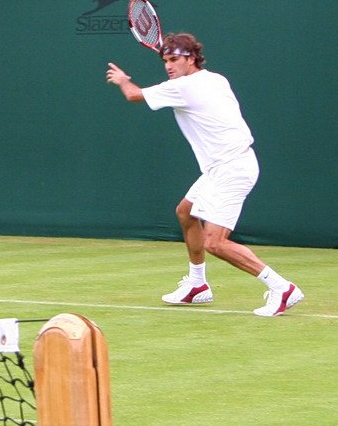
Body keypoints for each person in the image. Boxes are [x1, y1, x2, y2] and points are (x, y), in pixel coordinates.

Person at [105, 33, 303, 317]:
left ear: (192, 59)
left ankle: (282, 288)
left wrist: (123, 80)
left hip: (231, 168)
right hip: (222, 166)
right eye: (165, 60)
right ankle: (197, 285)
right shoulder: (216, 79)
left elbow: (133, 95)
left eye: (174, 59)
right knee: (186, 213)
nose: (168, 66)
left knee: (215, 242)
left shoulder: (183, 87)